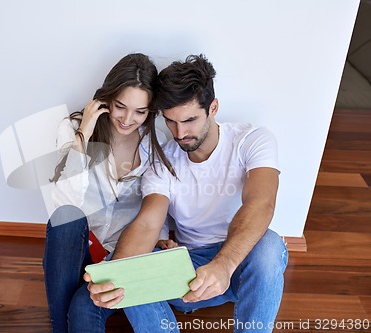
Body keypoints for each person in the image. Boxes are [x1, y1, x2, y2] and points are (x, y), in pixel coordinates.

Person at [86, 54, 289, 332]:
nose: (180, 133)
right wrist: (118, 274)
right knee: (121, 266)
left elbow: (261, 203)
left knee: (269, 245)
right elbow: (147, 223)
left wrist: (223, 265)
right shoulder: (164, 158)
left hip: (240, 263)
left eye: (190, 120)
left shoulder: (252, 140)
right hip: (187, 271)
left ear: (213, 107)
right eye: (171, 122)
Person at [43, 53, 178, 333]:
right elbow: (62, 206)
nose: (128, 119)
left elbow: (156, 201)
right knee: (66, 217)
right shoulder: (73, 127)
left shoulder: (155, 146)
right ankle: (58, 327)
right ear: (106, 99)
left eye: (140, 112)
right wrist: (83, 136)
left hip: (123, 252)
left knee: (83, 309)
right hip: (78, 250)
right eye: (120, 106)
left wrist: (163, 237)